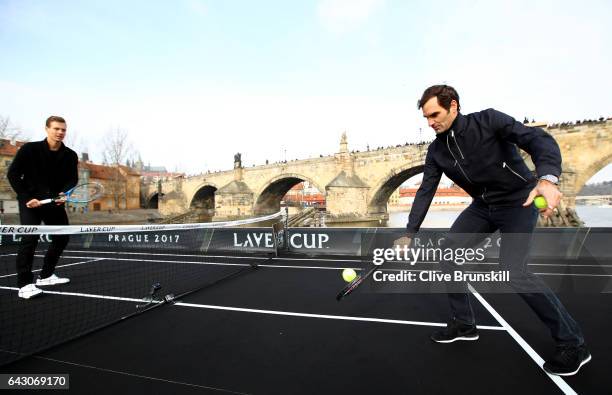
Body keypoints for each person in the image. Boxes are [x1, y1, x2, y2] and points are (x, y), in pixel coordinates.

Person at [396, 85, 590, 376]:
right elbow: (426, 190)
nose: (430, 122)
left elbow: (539, 140)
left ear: (454, 107)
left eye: (434, 114)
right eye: (426, 118)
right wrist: (410, 232)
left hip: (519, 201)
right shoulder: (436, 150)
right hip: (483, 206)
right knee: (447, 255)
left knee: (513, 271)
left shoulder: (489, 120)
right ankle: (464, 323)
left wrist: (548, 180)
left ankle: (573, 344)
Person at [7, 116, 78, 299]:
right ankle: (24, 284)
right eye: (56, 128)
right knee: (29, 239)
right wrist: (27, 197)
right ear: (47, 129)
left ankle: (46, 275)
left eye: (63, 129)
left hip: (53, 202)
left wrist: (64, 193)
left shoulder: (70, 155)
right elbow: (13, 174)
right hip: (30, 202)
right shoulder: (29, 149)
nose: (60, 132)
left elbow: (72, 179)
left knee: (62, 237)